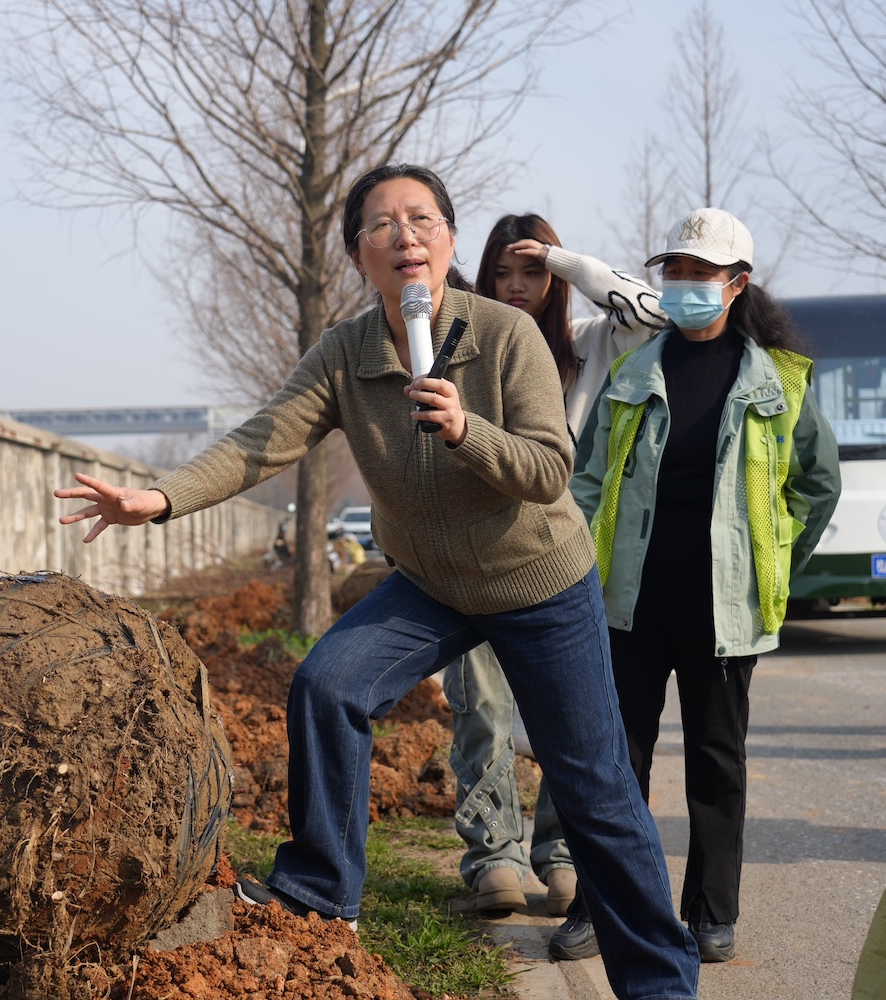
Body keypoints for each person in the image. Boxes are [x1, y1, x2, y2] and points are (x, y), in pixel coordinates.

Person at [56, 163, 701, 1000]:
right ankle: (325, 894)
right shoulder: (346, 355)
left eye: (422, 219)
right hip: (431, 580)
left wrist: (468, 430)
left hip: (537, 580)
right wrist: (160, 497)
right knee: (328, 685)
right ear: (358, 254)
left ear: (451, 241)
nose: (405, 236)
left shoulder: (506, 335)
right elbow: (264, 439)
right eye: (382, 224)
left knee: (595, 788)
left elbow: (548, 469)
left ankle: (659, 983)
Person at [565, 207, 842, 963]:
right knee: (615, 760)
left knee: (716, 763)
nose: (684, 285)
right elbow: (587, 482)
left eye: (700, 274)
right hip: (629, 604)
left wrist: (773, 567)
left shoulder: (777, 381)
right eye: (675, 272)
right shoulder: (633, 370)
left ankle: (712, 912)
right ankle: (605, 906)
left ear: (736, 283)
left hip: (723, 608)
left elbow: (818, 486)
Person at [442, 214, 666, 919]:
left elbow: (653, 313)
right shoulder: (466, 346)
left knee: (572, 714)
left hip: (565, 555)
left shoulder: (588, 343)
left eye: (530, 272)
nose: (515, 287)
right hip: (475, 547)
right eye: (502, 272)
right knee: (481, 703)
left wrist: (566, 260)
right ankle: (493, 855)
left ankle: (562, 853)